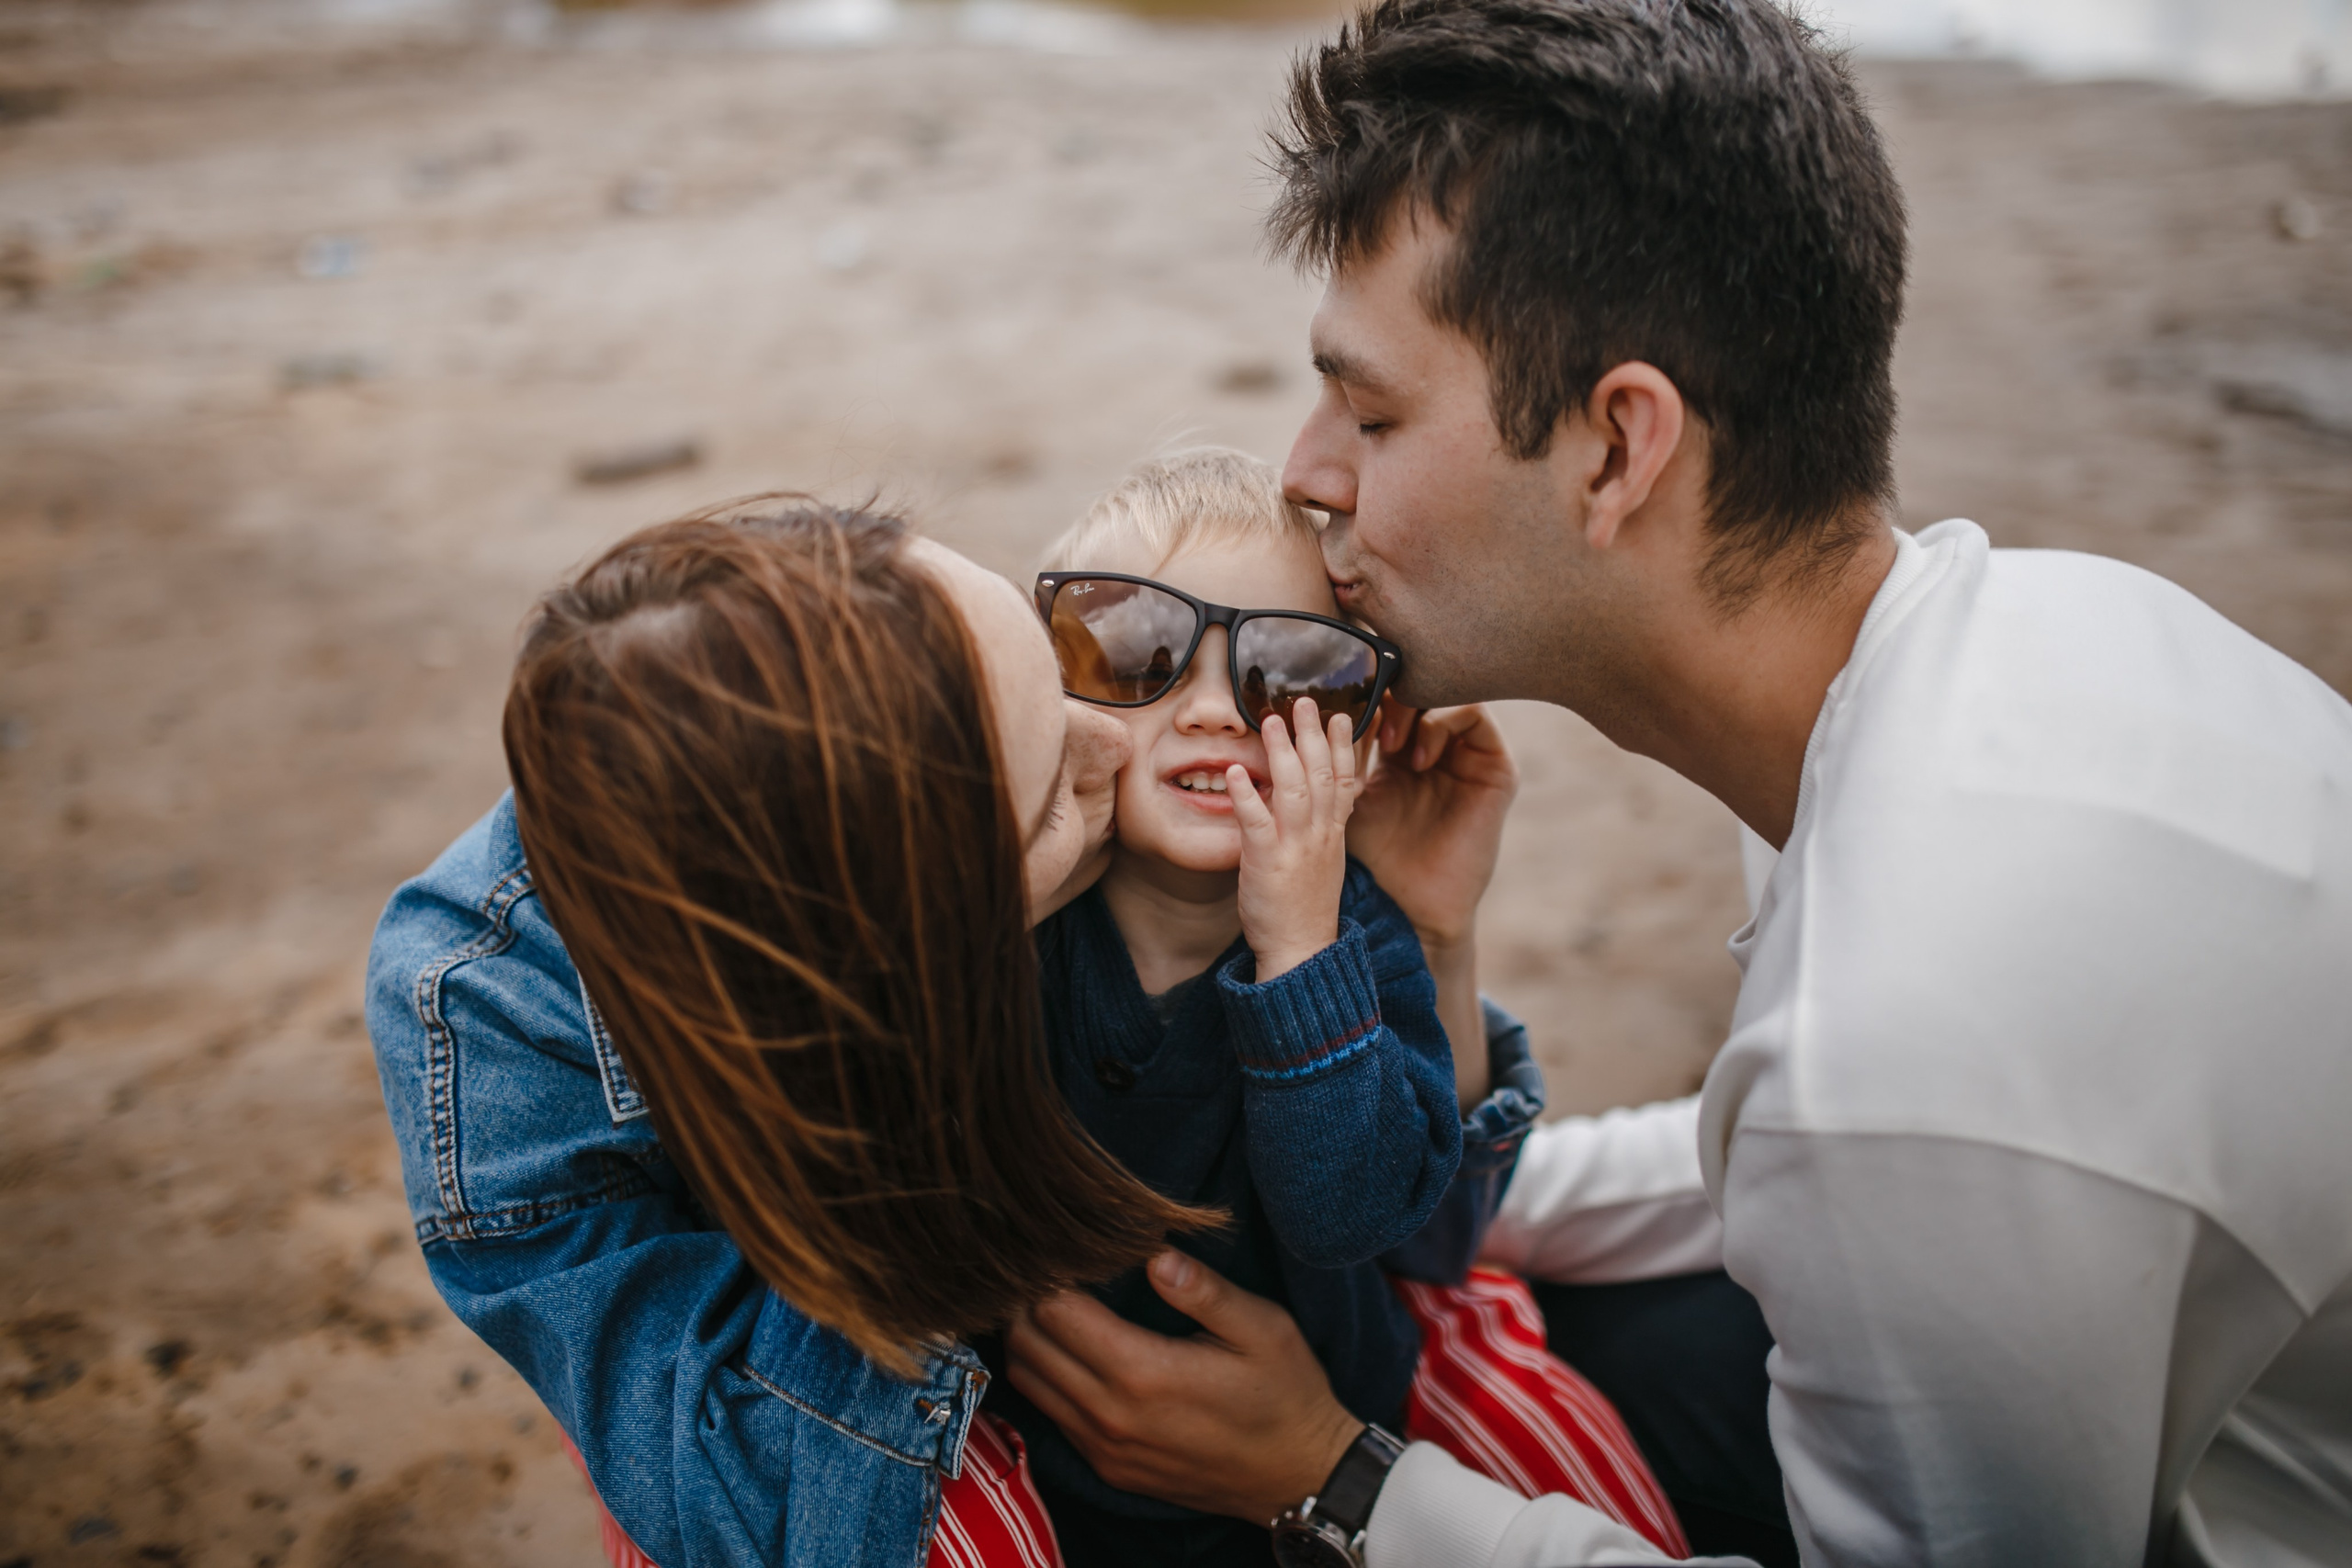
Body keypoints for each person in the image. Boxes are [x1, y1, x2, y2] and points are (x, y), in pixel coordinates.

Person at [1002, 2, 2352, 1565]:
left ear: (1620, 446)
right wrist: (1419, 1174)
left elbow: (1861, 1136)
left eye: (1371, 410)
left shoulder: (1914, 1020)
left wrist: (1330, 1474)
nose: (1305, 469)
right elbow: (1762, 1155)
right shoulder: (2033, 640)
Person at [368, 496, 1201, 1567]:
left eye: (1055, 670)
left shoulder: (817, 698)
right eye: (1050, 803)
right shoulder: (492, 1029)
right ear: (907, 963)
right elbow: (749, 1486)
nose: (1113, 746)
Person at [998, 447, 1685, 1564]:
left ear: (1365, 744)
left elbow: (1358, 1215)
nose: (1217, 711)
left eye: (1291, 673)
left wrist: (1298, 949)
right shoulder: (1013, 925)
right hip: (1024, 1457)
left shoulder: (1361, 941)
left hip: (1292, 1504)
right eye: (1135, 648)